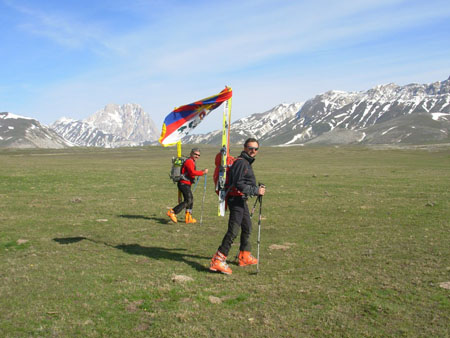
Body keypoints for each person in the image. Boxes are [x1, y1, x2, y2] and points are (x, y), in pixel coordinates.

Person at [209, 138, 265, 275]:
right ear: (245, 148)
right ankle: (218, 259)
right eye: (250, 148)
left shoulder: (245, 162)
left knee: (247, 226)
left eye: (255, 149)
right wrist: (255, 191)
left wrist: (255, 188)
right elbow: (238, 183)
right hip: (236, 199)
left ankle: (244, 255)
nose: (253, 151)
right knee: (233, 230)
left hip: (240, 199)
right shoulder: (241, 163)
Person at [166, 148, 208, 224]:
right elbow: (192, 172)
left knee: (190, 200)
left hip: (186, 183)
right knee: (188, 200)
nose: (197, 156)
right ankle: (172, 212)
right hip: (184, 183)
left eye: (198, 155)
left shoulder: (191, 161)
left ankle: (188, 217)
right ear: (191, 153)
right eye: (195, 154)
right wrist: (203, 172)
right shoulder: (189, 161)